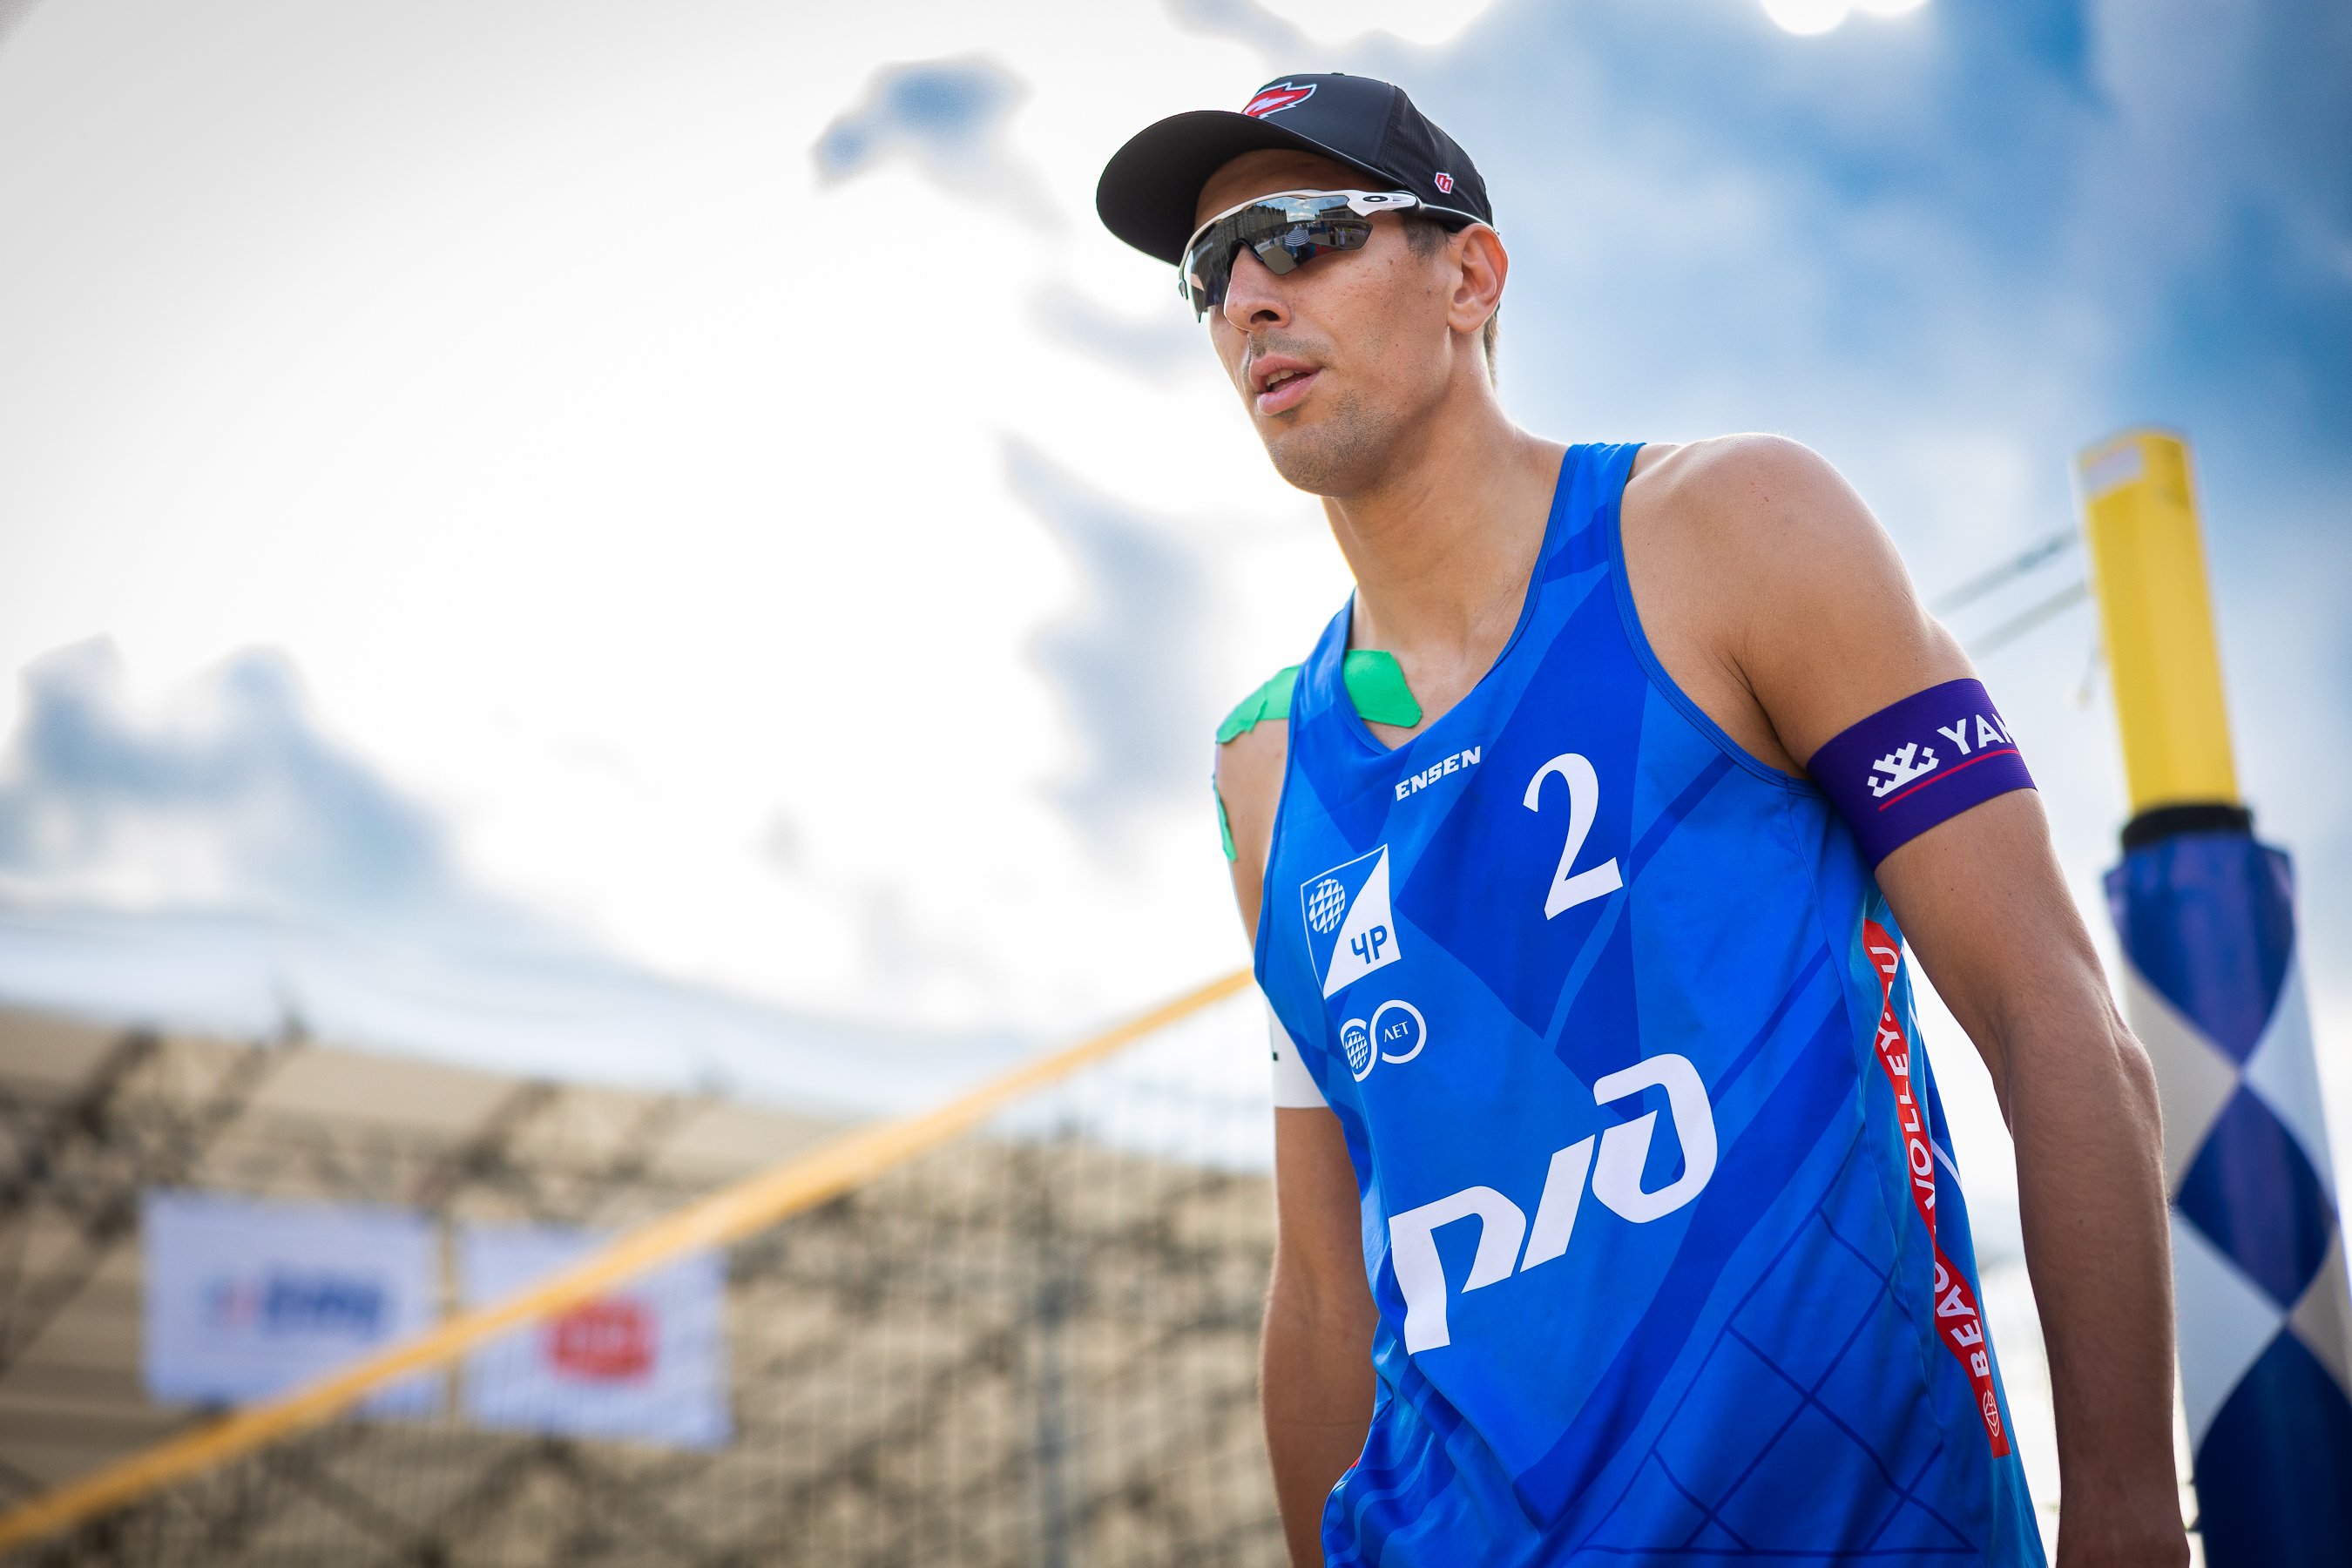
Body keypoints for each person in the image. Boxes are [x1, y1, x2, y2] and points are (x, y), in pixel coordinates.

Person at [1095, 74, 2187, 1568]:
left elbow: (2054, 1018)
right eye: (1210, 270)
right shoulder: (1266, 769)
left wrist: (2124, 1505)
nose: (1247, 302)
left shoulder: (1734, 530)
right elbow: (1325, 1288)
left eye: (1300, 236)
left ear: (1470, 274)